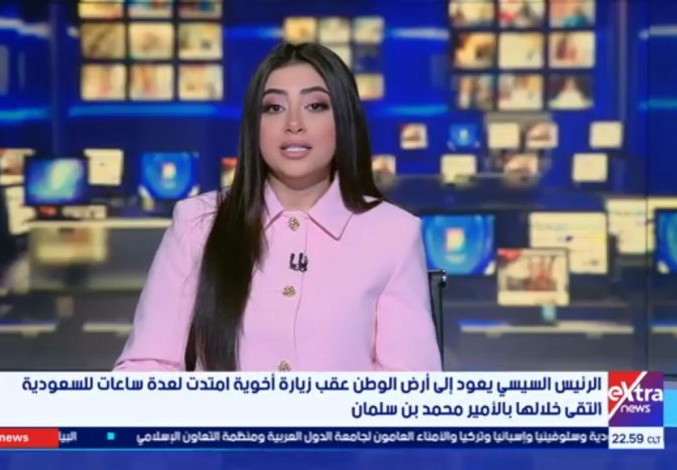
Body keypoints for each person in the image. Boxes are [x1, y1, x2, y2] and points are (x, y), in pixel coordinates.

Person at [113, 42, 441, 372]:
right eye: (273, 108)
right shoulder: (197, 223)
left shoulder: (393, 233)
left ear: (344, 120)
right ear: (254, 126)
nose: (293, 123)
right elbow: (145, 368)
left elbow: (411, 386)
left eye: (315, 106)